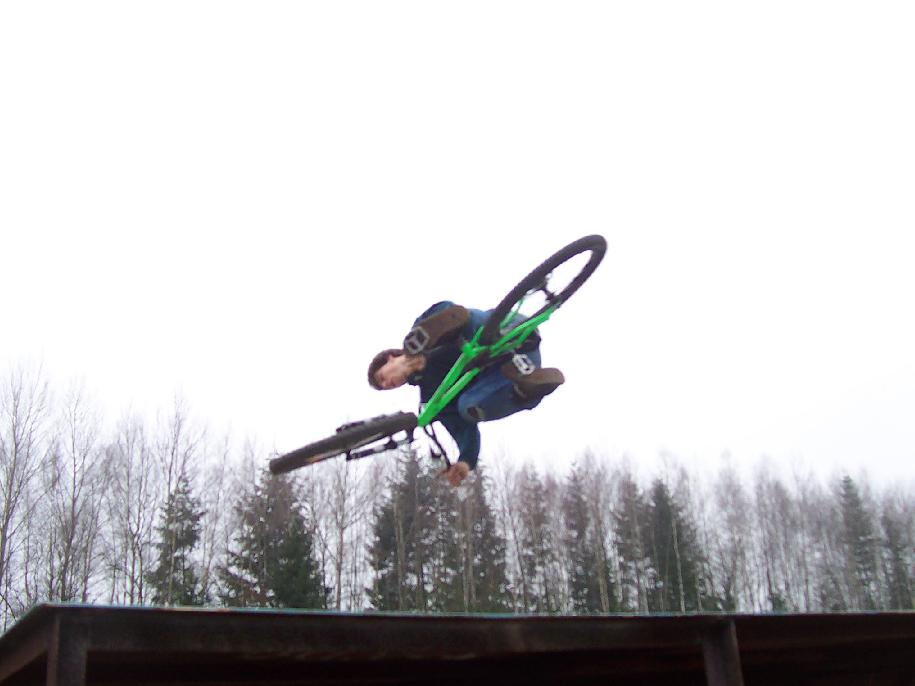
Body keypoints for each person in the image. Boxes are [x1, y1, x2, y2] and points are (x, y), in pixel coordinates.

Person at [367, 302, 564, 487]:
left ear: (390, 358)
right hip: (518, 366)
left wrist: (431, 335)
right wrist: (466, 461)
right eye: (384, 388)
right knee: (468, 407)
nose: (387, 385)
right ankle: (525, 390)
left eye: (382, 378)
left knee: (434, 329)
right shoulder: (432, 395)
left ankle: (455, 324)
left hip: (501, 327)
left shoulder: (418, 335)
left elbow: (445, 306)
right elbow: (462, 429)